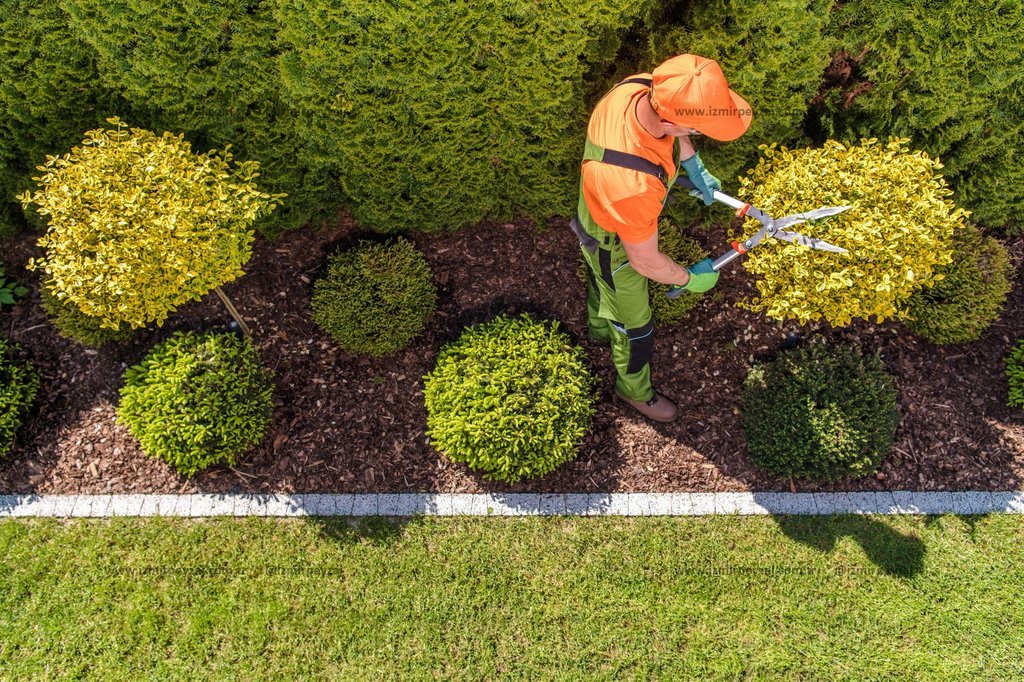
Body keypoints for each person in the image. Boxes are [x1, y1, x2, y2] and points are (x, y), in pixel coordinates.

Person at [573, 54, 752, 422]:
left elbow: (674, 125)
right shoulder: (633, 186)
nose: (695, 135)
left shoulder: (639, 87)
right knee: (634, 327)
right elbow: (645, 262)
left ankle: (597, 329)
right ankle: (633, 391)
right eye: (696, 129)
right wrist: (690, 278)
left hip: (598, 207)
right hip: (613, 244)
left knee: (600, 282)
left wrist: (692, 162)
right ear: (670, 122)